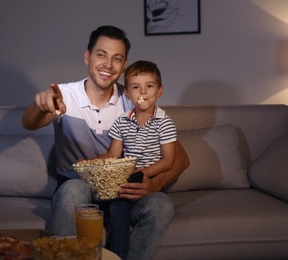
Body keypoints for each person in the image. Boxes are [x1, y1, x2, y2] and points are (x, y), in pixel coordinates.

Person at [21, 25, 189, 260]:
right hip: (78, 189)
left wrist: (153, 183)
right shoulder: (65, 95)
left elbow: (180, 158)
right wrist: (41, 105)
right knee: (73, 189)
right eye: (101, 55)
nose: (108, 65)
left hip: (122, 192)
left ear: (124, 65)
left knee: (161, 204)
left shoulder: (133, 99)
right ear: (87, 56)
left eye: (117, 58)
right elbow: (29, 123)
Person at [94, 60, 177, 259]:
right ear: (128, 94)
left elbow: (169, 161)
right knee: (116, 205)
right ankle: (116, 255)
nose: (143, 93)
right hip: (125, 180)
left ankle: (118, 254)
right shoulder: (122, 121)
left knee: (128, 204)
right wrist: (90, 162)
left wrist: (143, 173)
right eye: (135, 87)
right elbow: (113, 155)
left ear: (159, 91)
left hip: (147, 182)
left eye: (149, 86)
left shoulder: (164, 123)